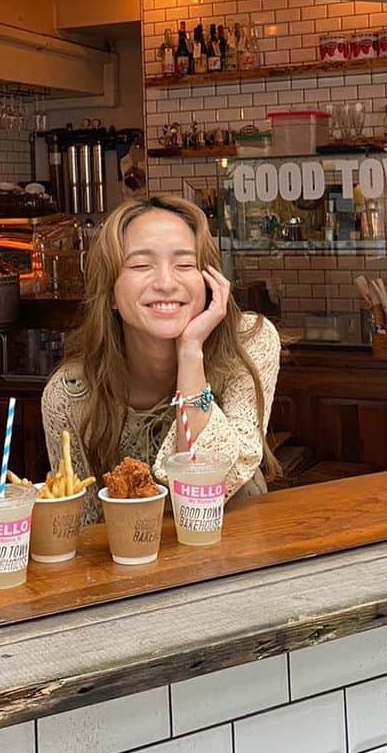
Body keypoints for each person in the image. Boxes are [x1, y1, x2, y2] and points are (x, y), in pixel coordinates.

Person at [42, 194, 280, 526]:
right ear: (110, 292)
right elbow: (81, 529)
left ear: (210, 282)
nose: (167, 283)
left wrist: (190, 352)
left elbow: (207, 483)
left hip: (237, 547)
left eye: (185, 265)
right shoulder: (70, 395)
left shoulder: (249, 343)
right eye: (141, 265)